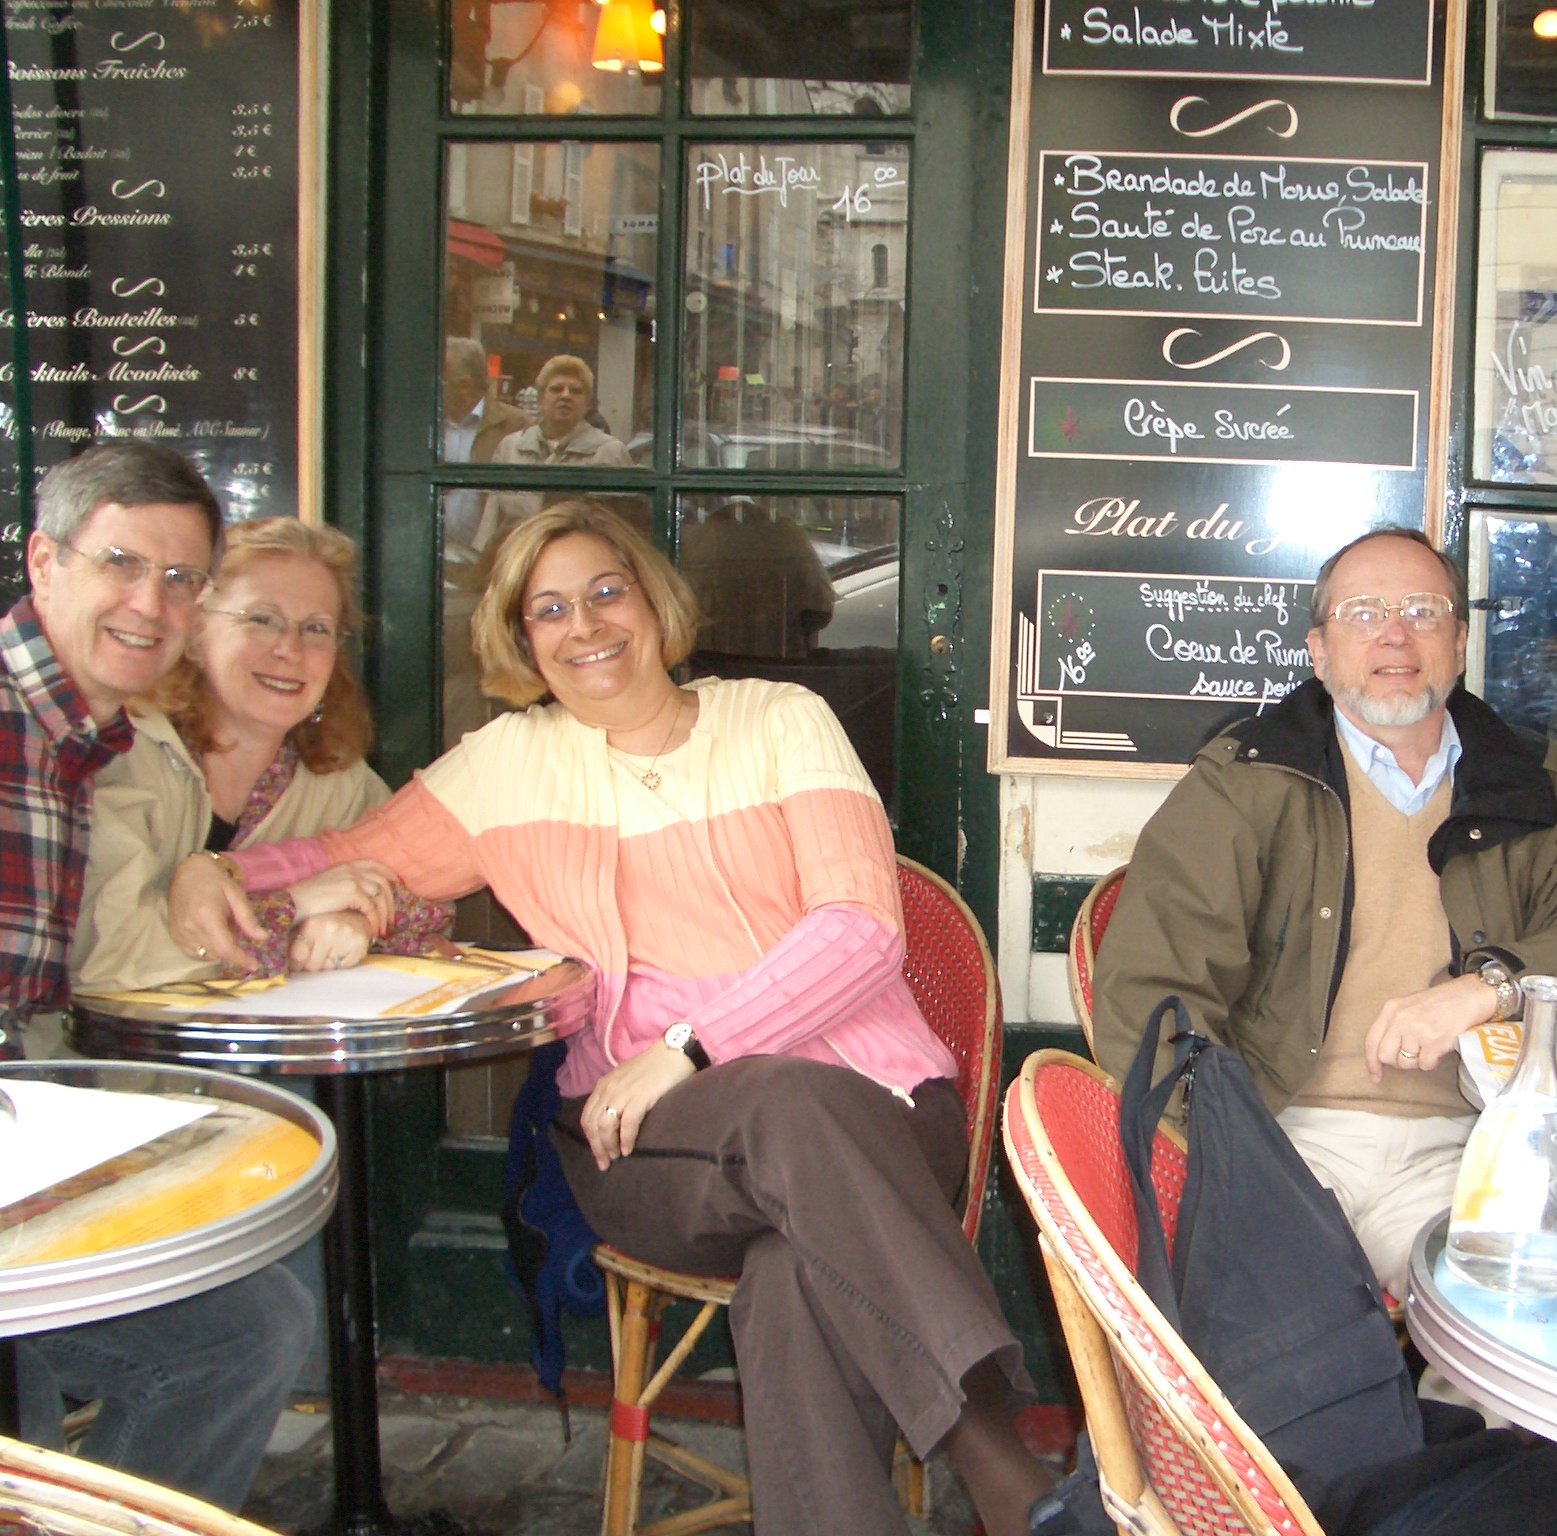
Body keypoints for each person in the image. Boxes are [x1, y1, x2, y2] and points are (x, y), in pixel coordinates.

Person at [167, 500, 1051, 1536]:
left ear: (653, 600)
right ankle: (1005, 1467)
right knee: (787, 1108)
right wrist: (211, 867)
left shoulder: (779, 720)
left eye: (604, 592)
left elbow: (862, 931)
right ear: (520, 638)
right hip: (652, 1149)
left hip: (882, 1116)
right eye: (548, 610)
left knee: (792, 1265)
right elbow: (321, 859)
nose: (583, 626)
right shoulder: (506, 767)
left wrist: (691, 1047)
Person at [1095, 527, 1557, 1297]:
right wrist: (1226, 1155)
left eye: (1423, 612)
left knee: (1525, 1318)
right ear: (1320, 651)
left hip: (1462, 1144)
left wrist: (1488, 990)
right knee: (1275, 1348)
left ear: (1459, 644)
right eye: (1363, 612)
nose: (1395, 633)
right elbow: (1153, 996)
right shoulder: (1247, 783)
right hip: (1289, 1136)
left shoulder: (1526, 785)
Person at [1, 442, 315, 1512]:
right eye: (121, 564)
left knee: (249, 1327)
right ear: (45, 563)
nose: (152, 602)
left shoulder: (94, 741)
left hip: (32, 1127)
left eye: (182, 579)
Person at [72, 517, 452, 993]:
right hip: (100, 1064)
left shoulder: (341, 783)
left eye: (316, 629)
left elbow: (429, 916)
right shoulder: (117, 755)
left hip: (260, 1067)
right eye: (261, 619)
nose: (289, 650)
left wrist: (361, 924)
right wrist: (292, 908)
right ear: (194, 634)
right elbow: (105, 954)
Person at [473, 355, 633, 556]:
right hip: (517, 564)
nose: (565, 396)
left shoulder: (610, 452)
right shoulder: (510, 448)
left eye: (576, 391)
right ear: (540, 399)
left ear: (587, 404)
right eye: (556, 389)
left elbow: (623, 533)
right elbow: (490, 525)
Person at [440, 337, 528, 558]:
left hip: (493, 559)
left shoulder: (515, 425)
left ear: (465, 385)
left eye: (441, 379)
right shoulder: (428, 426)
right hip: (436, 558)